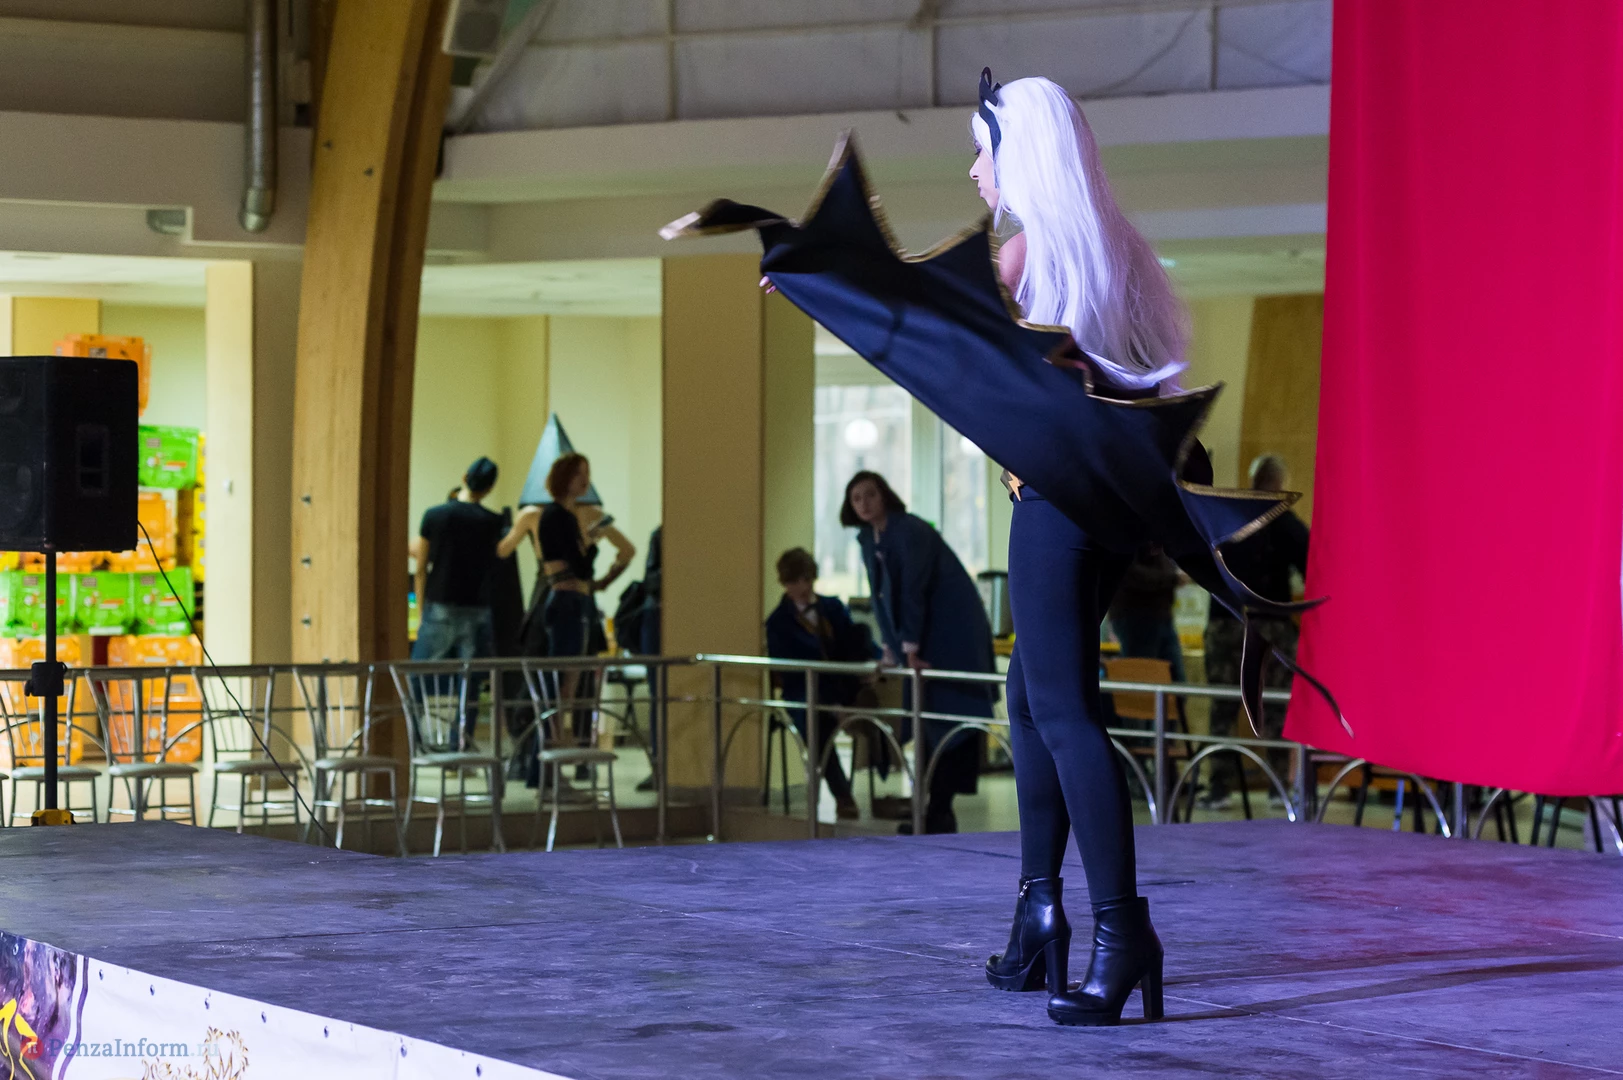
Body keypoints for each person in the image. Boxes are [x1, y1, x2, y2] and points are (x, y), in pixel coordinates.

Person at [667, 67, 1343, 1029]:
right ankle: (1038, 915)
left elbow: (929, 346)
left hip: (1053, 514)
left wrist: (818, 285)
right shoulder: (1120, 256)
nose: (973, 172)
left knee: (1063, 713)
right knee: (1030, 698)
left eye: (980, 152)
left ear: (1017, 155)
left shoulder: (1025, 256)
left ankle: (1121, 932)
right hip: (1104, 518)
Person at [843, 471, 995, 836]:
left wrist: (908, 647)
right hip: (923, 639)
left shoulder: (909, 530)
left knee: (951, 719)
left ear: (885, 495)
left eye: (870, 494)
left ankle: (938, 810)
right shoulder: (869, 538)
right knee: (928, 723)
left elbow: (912, 589)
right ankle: (932, 811)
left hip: (948, 635)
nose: (864, 503)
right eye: (856, 498)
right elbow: (882, 598)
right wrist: (890, 649)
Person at [1202, 454, 1309, 810]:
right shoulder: (1284, 520)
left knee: (1222, 707)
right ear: (1279, 483)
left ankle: (1219, 788)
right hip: (1270, 626)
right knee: (1276, 705)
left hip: (1225, 623)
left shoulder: (1230, 514)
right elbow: (1312, 564)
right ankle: (1278, 788)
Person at [410, 457, 537, 748]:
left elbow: (421, 567)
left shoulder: (435, 515)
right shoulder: (492, 522)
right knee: (470, 681)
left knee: (417, 674)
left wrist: (421, 609)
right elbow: (500, 556)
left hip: (440, 604)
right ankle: (461, 741)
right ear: (490, 488)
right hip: (478, 608)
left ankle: (413, 736)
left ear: (464, 477)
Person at [764, 547, 878, 821]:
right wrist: (829, 700)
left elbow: (853, 643)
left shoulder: (832, 607)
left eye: (806, 579)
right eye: (795, 582)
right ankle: (843, 795)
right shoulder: (778, 622)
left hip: (842, 685)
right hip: (804, 693)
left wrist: (873, 662)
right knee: (816, 725)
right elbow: (791, 672)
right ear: (785, 584)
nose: (803, 587)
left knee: (880, 704)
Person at [531, 453, 635, 746]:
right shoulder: (561, 516)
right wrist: (592, 543)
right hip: (569, 601)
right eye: (580, 474)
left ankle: (552, 749)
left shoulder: (553, 515)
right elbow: (581, 567)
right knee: (566, 683)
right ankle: (553, 748)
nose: (586, 480)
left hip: (565, 598)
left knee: (564, 683)